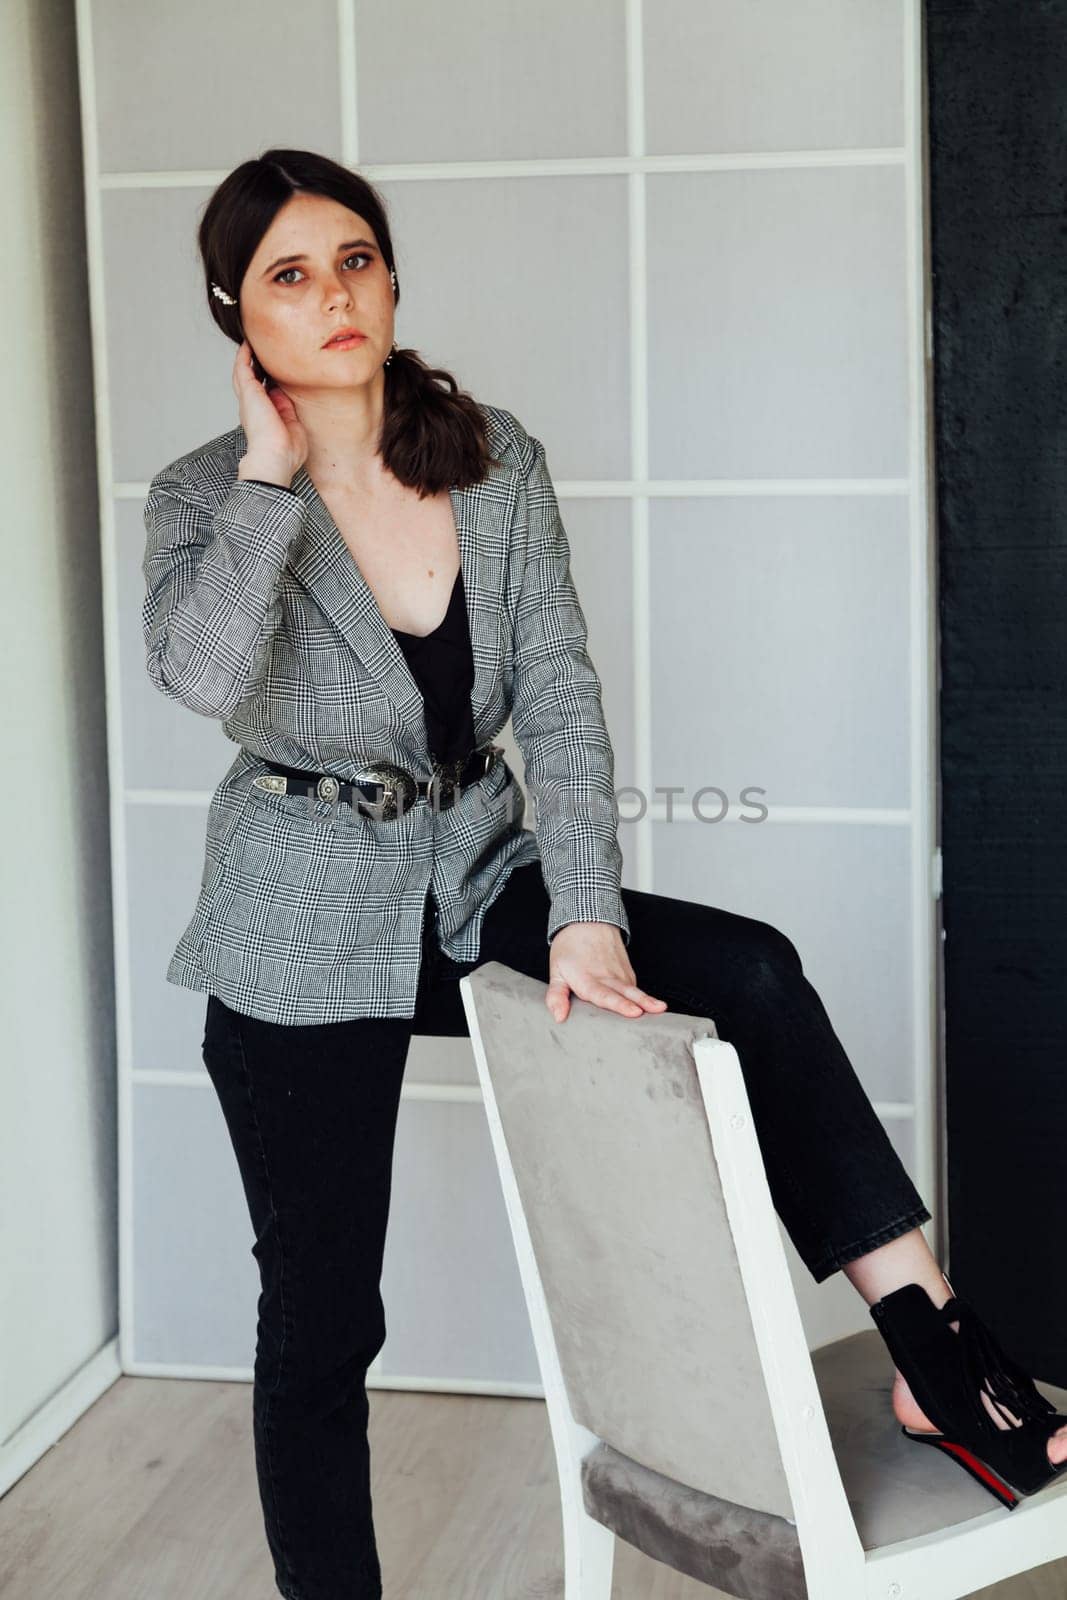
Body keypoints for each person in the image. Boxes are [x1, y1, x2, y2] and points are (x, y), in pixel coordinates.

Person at [142, 147, 1067, 1598]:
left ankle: (933, 1348)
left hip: (476, 866)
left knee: (749, 967)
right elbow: (195, 673)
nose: (335, 295)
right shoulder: (204, 492)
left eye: (357, 259)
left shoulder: (490, 457)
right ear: (233, 312)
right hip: (297, 915)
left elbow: (559, 698)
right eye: (290, 275)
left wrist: (580, 911)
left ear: (391, 277)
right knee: (322, 1321)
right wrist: (269, 483)